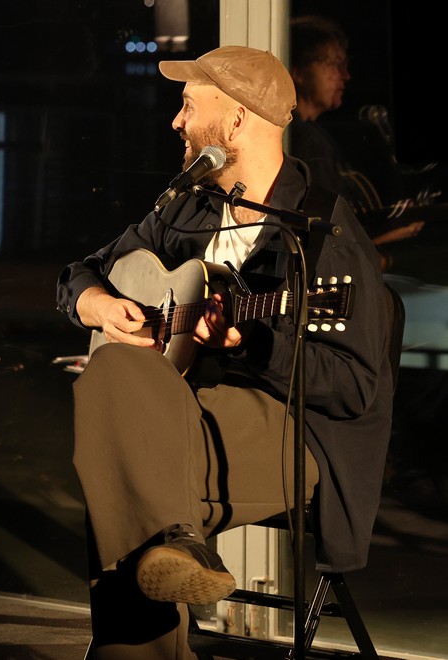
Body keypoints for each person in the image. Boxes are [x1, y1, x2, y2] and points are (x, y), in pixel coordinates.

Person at [56, 45, 394, 659]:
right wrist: (98, 307)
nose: (176, 122)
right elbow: (81, 274)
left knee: (120, 455)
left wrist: (252, 342)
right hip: (183, 412)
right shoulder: (188, 207)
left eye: (188, 105)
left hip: (294, 427)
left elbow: (354, 387)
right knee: (114, 377)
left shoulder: (322, 233)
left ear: (235, 120)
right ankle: (177, 543)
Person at [288, 15, 425, 254]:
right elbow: (326, 238)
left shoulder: (315, 136)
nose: (345, 75)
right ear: (298, 73)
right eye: (333, 64)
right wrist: (385, 237)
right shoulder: (305, 141)